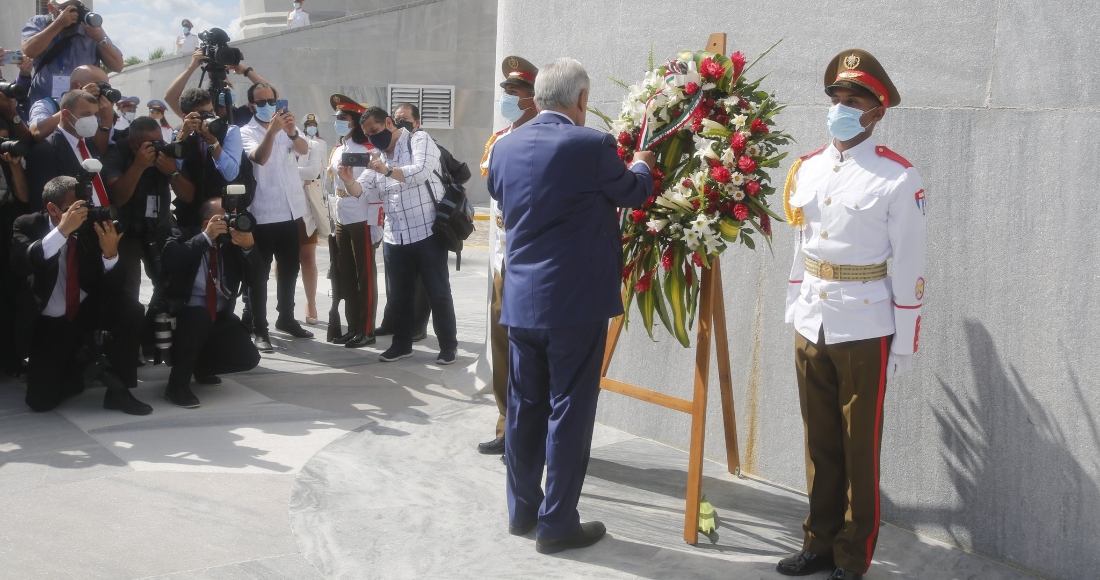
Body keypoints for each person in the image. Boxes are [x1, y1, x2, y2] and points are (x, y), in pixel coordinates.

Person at [486, 57, 654, 554]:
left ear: (536, 98)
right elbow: (635, 191)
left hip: (520, 300)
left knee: (525, 407)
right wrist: (641, 159)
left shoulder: (505, 146)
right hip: (575, 303)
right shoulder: (593, 144)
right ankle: (557, 523)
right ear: (581, 100)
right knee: (569, 411)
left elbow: (501, 195)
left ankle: (522, 511)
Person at [777, 50, 926, 580]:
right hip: (811, 320)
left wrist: (904, 343)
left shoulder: (896, 178)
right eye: (836, 98)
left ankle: (851, 554)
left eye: (854, 100)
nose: (841, 107)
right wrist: (794, 306)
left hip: (865, 326)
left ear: (876, 111)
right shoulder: (811, 167)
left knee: (858, 448)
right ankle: (817, 542)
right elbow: (802, 243)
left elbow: (910, 264)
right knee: (819, 443)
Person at [11, 176, 151, 415]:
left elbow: (115, 288)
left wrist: (110, 256)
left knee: (131, 310)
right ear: (53, 209)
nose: (82, 215)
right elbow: (24, 262)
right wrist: (63, 231)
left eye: (83, 207)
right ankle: (76, 365)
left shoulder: (90, 226)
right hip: (50, 322)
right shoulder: (27, 224)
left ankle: (119, 390)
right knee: (39, 402)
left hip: (86, 310)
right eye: (73, 210)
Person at [337, 106, 457, 365]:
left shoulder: (418, 139)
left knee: (438, 292)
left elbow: (421, 171)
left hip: (427, 232)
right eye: (368, 134)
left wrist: (388, 171)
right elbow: (362, 190)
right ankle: (401, 344)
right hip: (395, 236)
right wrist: (348, 180)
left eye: (375, 130)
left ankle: (448, 345)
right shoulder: (377, 156)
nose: (372, 137)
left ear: (389, 123)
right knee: (399, 296)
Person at [477, 55, 539, 457]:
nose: (509, 98)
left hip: (533, 260)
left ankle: (533, 429)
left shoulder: (542, 135)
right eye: (506, 92)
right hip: (503, 258)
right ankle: (507, 424)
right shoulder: (500, 139)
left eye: (516, 93)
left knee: (530, 349)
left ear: (534, 98)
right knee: (501, 344)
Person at [160, 198, 261, 408]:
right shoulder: (182, 235)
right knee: (199, 316)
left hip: (219, 317)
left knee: (248, 357)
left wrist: (249, 247)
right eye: (223, 217)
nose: (229, 221)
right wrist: (206, 238)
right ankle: (177, 385)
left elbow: (258, 279)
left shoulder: (230, 244)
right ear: (208, 222)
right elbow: (171, 260)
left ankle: (201, 367)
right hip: (184, 319)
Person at [240, 83, 313, 352]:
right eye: (260, 103)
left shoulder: (285, 129)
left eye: (271, 100)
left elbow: (304, 150)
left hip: (289, 211)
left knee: (289, 269)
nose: (267, 106)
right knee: (258, 276)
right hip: (262, 213)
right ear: (251, 106)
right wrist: (271, 132)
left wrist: (291, 131)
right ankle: (260, 328)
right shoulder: (245, 131)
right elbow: (259, 157)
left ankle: (286, 318)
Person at [102, 115, 192, 302]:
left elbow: (188, 196)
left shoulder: (165, 154)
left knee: (170, 284)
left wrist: (172, 171)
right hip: (127, 232)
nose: (156, 148)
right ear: (133, 142)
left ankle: (159, 320)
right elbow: (117, 198)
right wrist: (138, 166)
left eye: (159, 142)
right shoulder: (117, 153)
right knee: (127, 291)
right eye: (150, 144)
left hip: (160, 227)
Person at [326, 95, 380, 349]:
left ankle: (367, 329)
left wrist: (376, 223)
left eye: (343, 119)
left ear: (354, 123)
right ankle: (352, 327)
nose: (338, 122)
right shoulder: (339, 149)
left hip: (361, 216)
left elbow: (374, 189)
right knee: (345, 274)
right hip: (342, 214)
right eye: (337, 117)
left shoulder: (368, 150)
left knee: (364, 276)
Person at [20, 0, 125, 110]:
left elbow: (118, 66)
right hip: (46, 106)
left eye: (77, 8)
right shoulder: (39, 23)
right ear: (51, 8)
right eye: (67, 8)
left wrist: (100, 39)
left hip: (82, 107)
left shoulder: (89, 27)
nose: (74, 14)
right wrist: (58, 24)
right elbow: (29, 51)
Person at [25, 89, 111, 211]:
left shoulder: (90, 146)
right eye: (86, 114)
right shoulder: (45, 151)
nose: (92, 119)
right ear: (65, 114)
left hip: (103, 224)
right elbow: (43, 206)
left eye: (95, 114)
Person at [172, 87, 244, 228]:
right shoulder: (179, 133)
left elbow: (231, 174)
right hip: (190, 212)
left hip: (223, 210)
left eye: (211, 112)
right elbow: (173, 167)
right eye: (202, 114)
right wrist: (182, 137)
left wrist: (213, 143)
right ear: (185, 116)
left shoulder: (230, 132)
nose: (208, 118)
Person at [0, 118, 31, 377]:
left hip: (7, 228)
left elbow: (23, 196)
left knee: (11, 295)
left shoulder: (10, 160)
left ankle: (12, 360)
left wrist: (15, 167)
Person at [164, 52, 270, 127]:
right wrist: (191, 67)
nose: (225, 88)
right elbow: (170, 98)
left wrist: (246, 70)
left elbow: (271, 94)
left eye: (227, 85)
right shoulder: (199, 117)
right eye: (222, 85)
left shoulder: (241, 114)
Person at [26, 63, 112, 142]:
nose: (102, 91)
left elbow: (98, 153)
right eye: (98, 86)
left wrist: (105, 122)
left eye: (106, 87)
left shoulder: (100, 112)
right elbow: (36, 133)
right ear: (75, 86)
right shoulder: (47, 105)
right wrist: (75, 102)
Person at [297, 113, 328, 325]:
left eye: (313, 125)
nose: (311, 128)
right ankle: (285, 306)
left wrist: (291, 173)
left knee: (308, 257)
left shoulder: (316, 145)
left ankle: (311, 303)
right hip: (283, 207)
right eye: (308, 125)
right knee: (283, 259)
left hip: (307, 206)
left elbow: (315, 172)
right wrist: (301, 175)